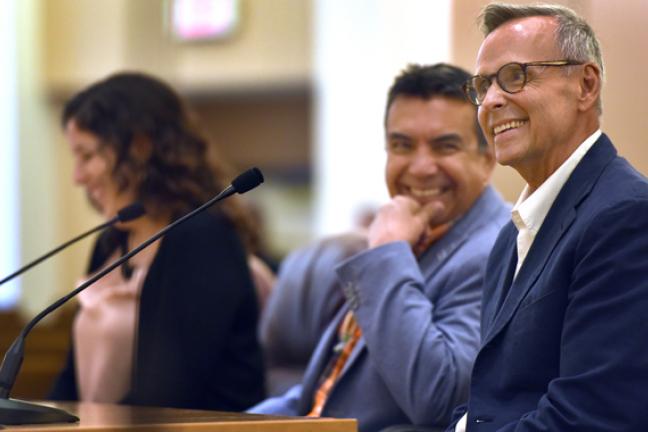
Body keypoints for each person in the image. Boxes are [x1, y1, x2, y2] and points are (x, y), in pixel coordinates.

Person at [249, 63, 509, 432]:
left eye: (444, 146)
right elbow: (321, 395)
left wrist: (387, 253)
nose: (420, 167)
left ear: (487, 158)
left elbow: (439, 399)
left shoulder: (498, 248)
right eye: (402, 145)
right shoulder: (411, 234)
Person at [451, 4, 648, 431]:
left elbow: (591, 416)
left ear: (586, 85)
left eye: (515, 76)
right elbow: (487, 401)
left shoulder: (626, 217)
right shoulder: (512, 235)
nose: (492, 102)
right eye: (482, 86)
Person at [49, 72, 266, 411]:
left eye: (87, 156)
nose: (77, 177)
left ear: (140, 148)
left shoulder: (202, 238)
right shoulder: (112, 241)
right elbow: (71, 378)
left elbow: (168, 394)